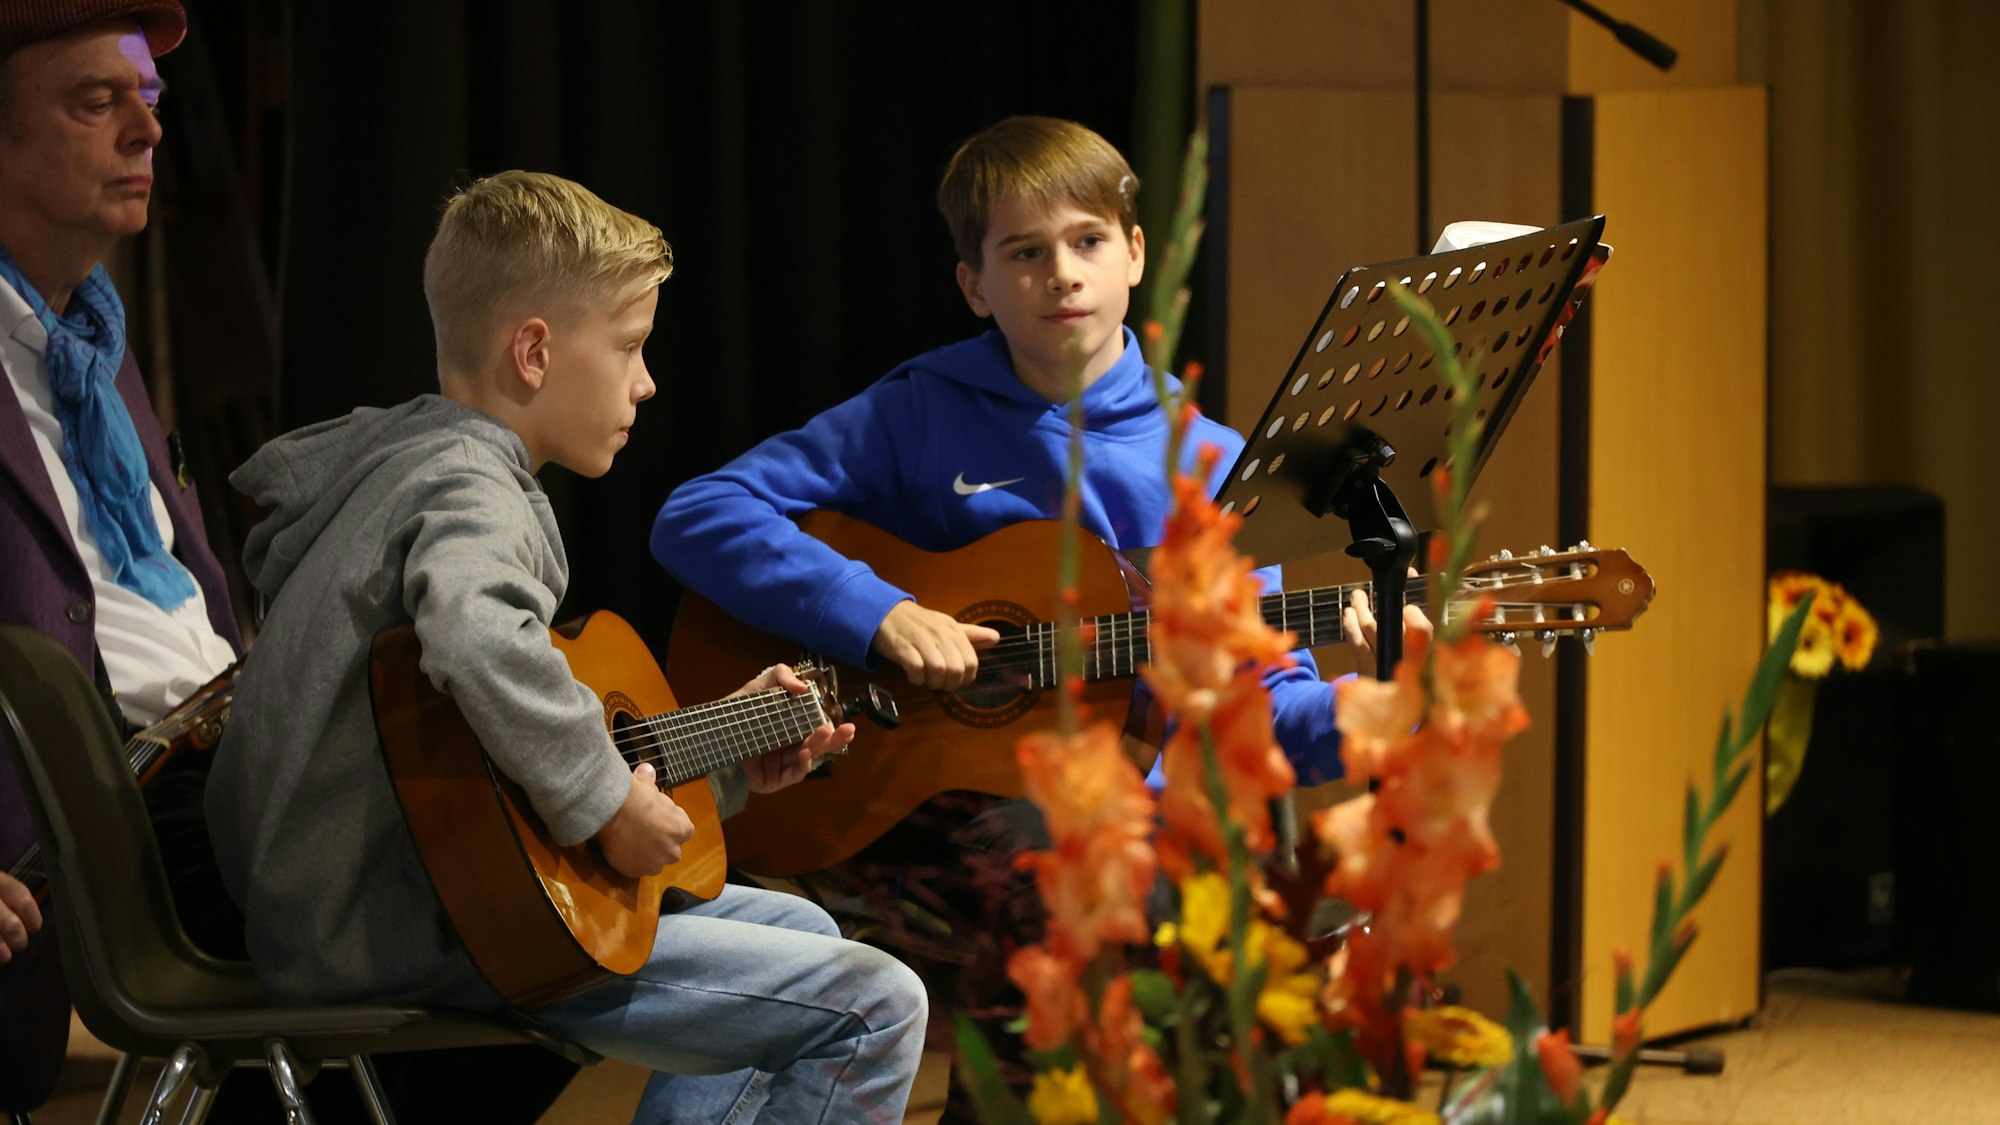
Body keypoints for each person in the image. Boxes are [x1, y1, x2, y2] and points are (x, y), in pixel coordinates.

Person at [651, 115, 1429, 1115]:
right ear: (974, 284)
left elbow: (1261, 715)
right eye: (1023, 252)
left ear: (1135, 253)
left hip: (1121, 821)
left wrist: (1375, 701)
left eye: (1086, 241)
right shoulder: (919, 410)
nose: (1060, 273)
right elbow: (698, 513)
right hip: (900, 796)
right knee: (1063, 888)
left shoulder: (1214, 469)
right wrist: (878, 614)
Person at [204, 170, 928, 1124]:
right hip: (400, 925)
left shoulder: (394, 466)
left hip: (352, 902)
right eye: (629, 346)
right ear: (535, 351)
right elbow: (477, 634)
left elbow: (464, 755)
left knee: (804, 925)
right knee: (880, 1004)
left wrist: (730, 762)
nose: (646, 380)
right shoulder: (473, 487)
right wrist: (602, 804)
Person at [0, 8, 591, 1120]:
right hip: (121, 817)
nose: (148, 132)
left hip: (216, 763)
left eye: (152, 102)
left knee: (540, 895)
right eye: (96, 102)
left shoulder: (94, 339)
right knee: (525, 928)